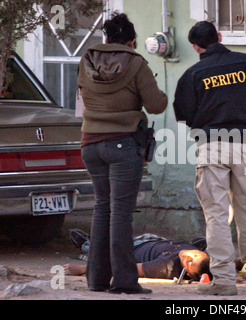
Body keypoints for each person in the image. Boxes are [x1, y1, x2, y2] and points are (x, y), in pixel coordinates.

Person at [173, 21, 246, 296]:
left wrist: (205, 127)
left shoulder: (193, 73)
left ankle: (223, 282)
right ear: (219, 37)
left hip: (212, 146)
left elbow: (185, 113)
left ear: (196, 47)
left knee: (217, 217)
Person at [77, 12, 167, 294]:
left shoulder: (86, 59)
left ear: (106, 38)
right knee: (120, 213)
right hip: (122, 144)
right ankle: (126, 282)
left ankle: (97, 279)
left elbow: (82, 95)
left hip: (90, 143)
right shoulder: (136, 62)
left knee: (102, 207)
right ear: (131, 41)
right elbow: (156, 105)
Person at [65, 232, 212, 282]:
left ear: (185, 272)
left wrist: (85, 269)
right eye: (195, 254)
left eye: (188, 263)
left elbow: (126, 268)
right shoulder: (205, 259)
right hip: (157, 240)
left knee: (100, 249)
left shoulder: (164, 267)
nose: (187, 257)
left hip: (130, 249)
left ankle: (87, 244)